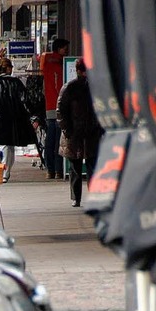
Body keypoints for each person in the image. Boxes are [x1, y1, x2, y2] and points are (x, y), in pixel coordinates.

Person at [0, 57, 36, 183]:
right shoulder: (16, 83)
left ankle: (1, 170)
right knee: (9, 147)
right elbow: (25, 100)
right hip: (12, 120)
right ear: (9, 68)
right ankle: (5, 171)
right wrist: (31, 117)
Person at [56, 58, 103, 207]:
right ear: (79, 71)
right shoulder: (70, 88)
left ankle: (92, 197)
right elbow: (61, 112)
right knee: (76, 168)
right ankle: (76, 198)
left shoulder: (95, 87)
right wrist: (67, 130)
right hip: (74, 134)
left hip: (91, 133)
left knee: (91, 166)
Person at [39, 38, 70, 179]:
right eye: (65, 48)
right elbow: (60, 86)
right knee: (59, 140)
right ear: (59, 49)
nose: (67, 51)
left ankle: (50, 169)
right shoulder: (60, 64)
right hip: (59, 106)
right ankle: (58, 170)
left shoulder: (46, 62)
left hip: (49, 106)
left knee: (50, 140)